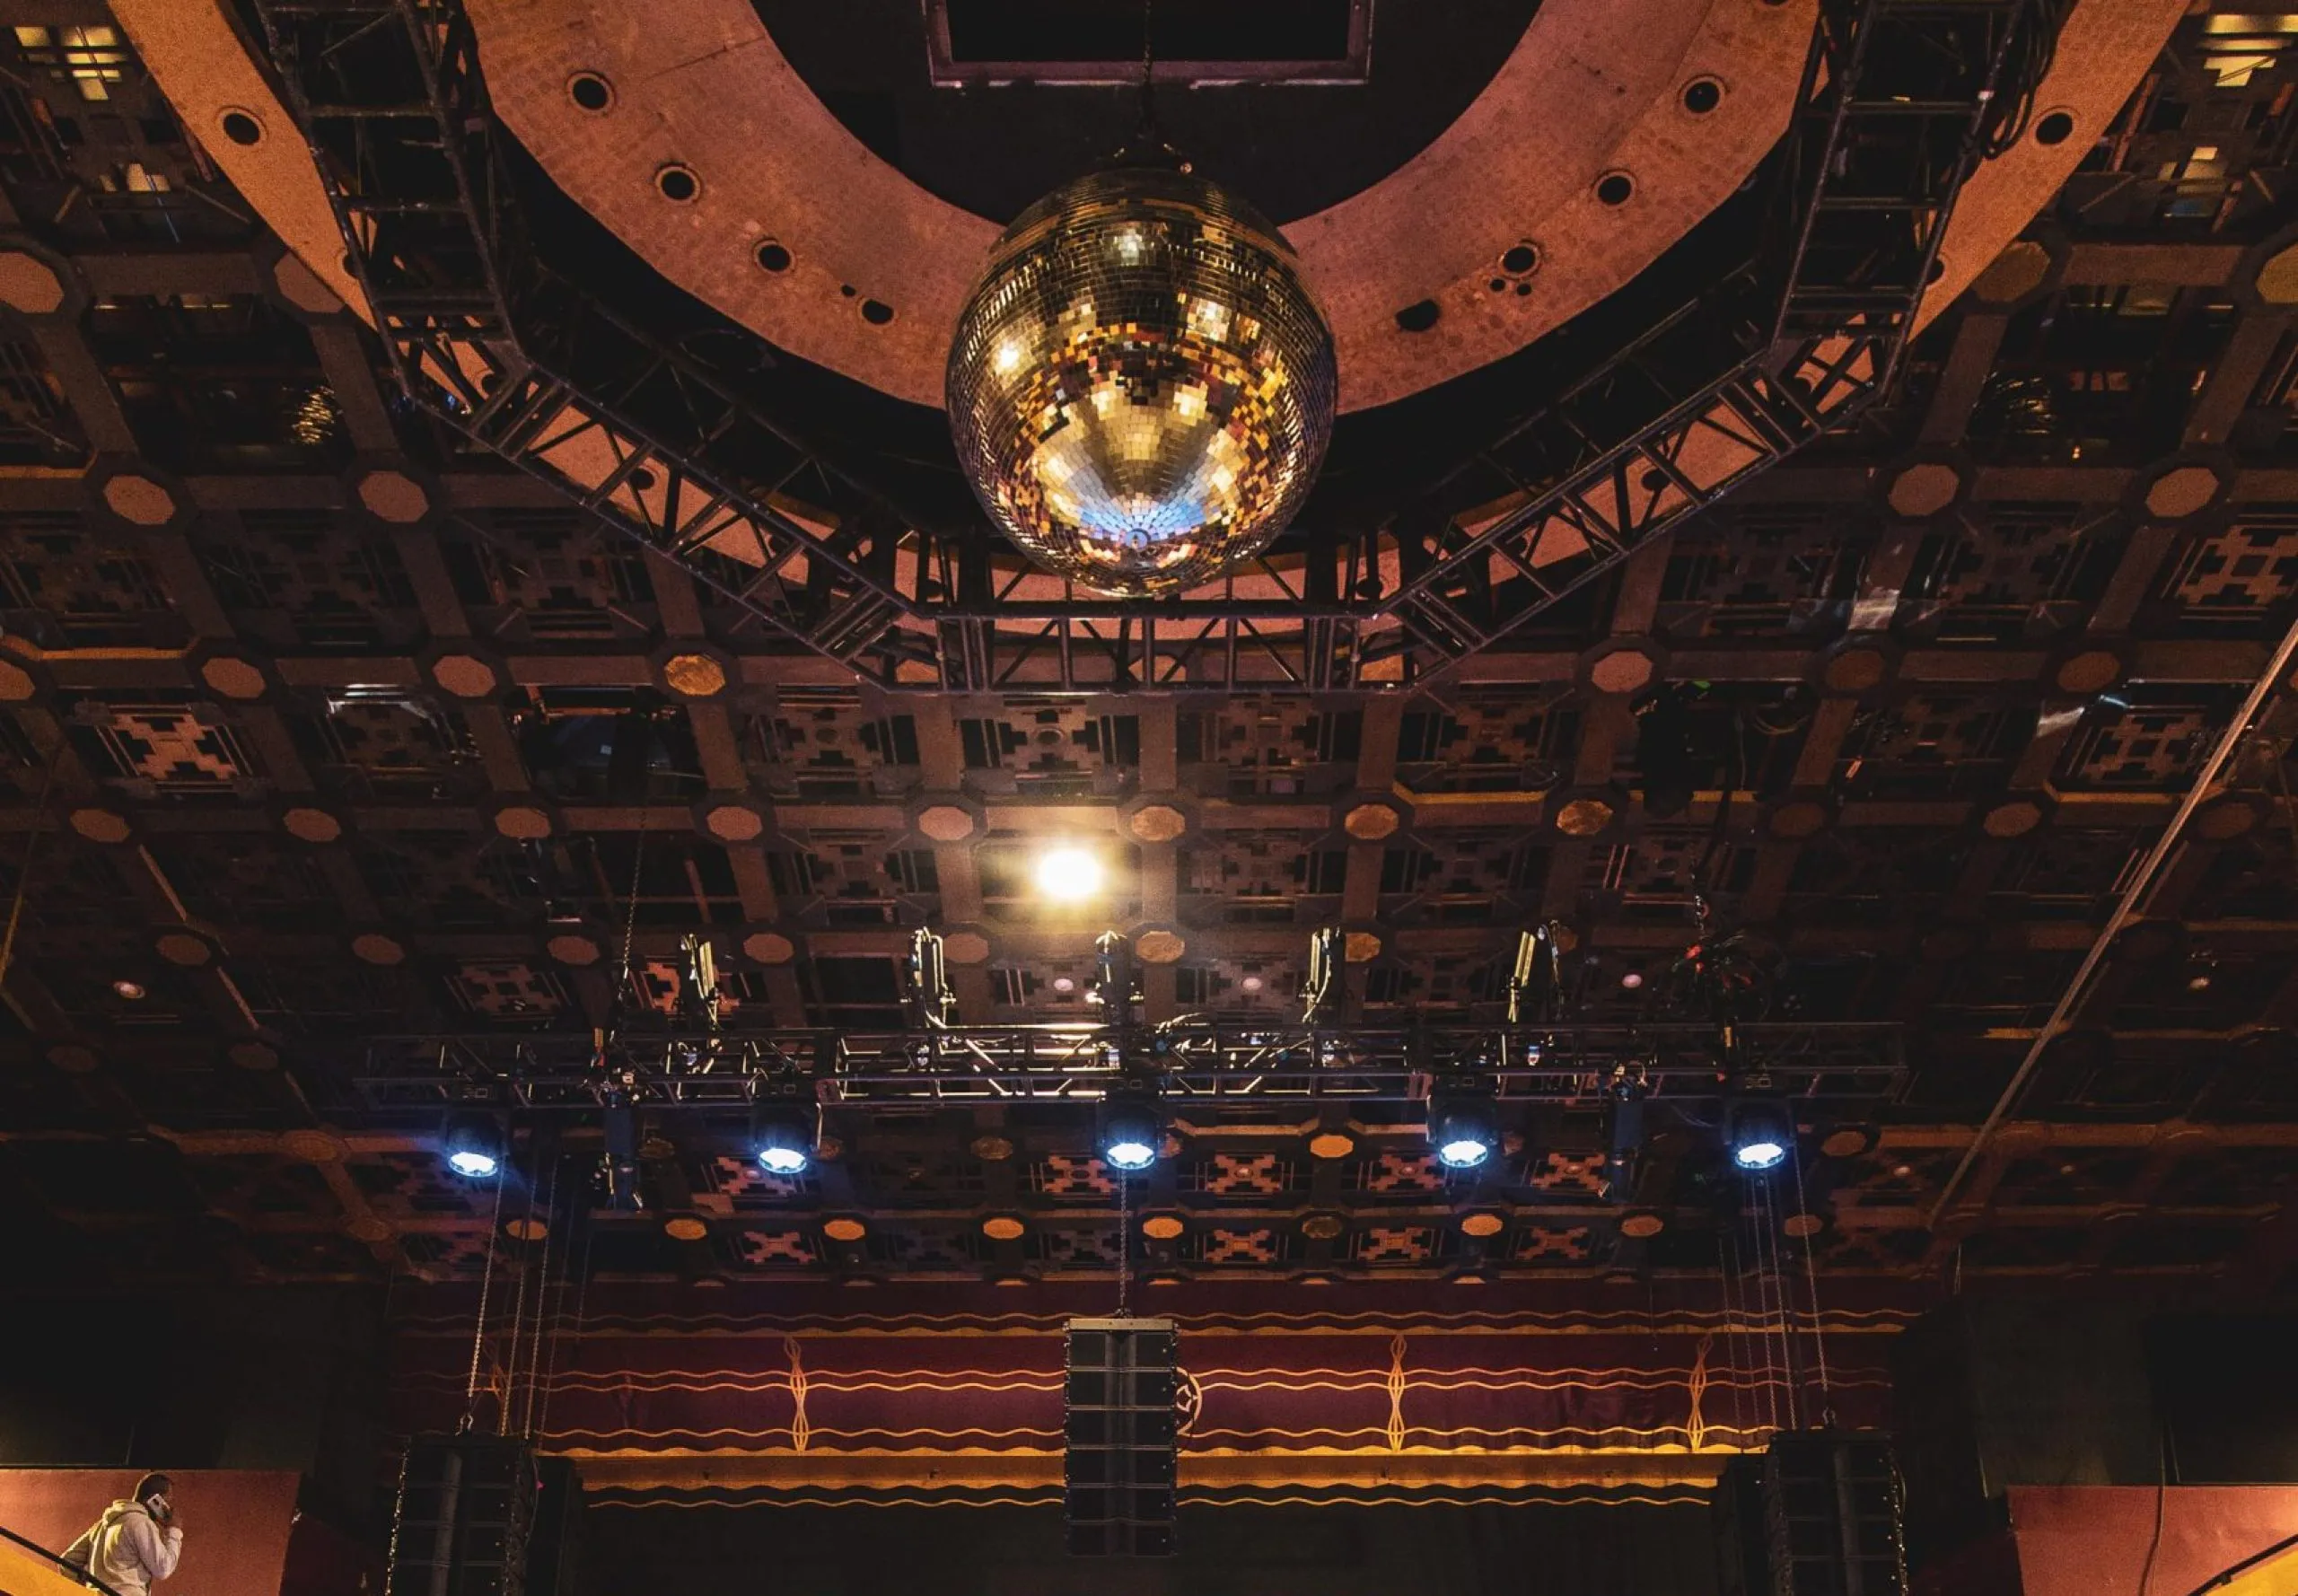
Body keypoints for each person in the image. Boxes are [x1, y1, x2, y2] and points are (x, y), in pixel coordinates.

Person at [62, 1474, 181, 1596]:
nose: (168, 1507)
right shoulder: (141, 1523)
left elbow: (67, 1561)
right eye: (167, 1500)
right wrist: (174, 1530)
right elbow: (163, 1568)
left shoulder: (102, 1525)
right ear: (155, 1500)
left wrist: (85, 1589)